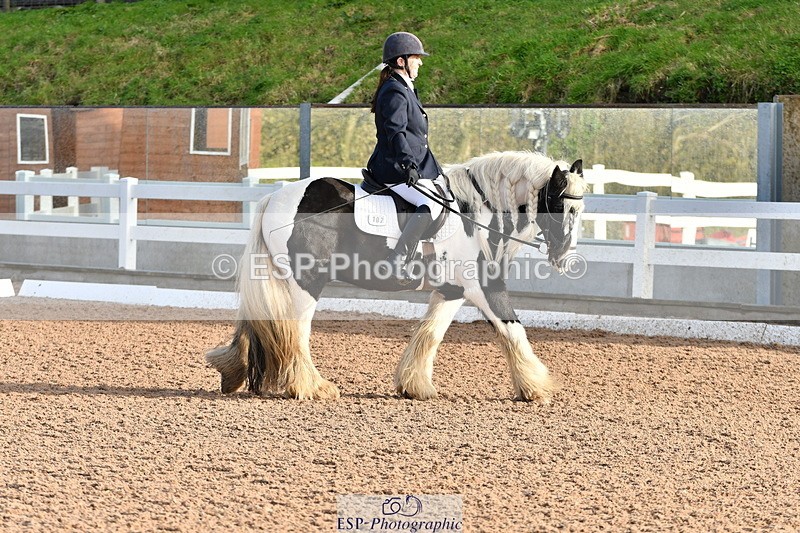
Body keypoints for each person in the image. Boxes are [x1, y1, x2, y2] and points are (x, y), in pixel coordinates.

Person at [367, 31, 449, 283]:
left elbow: (417, 138)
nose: (421, 62)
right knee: (431, 204)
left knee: (443, 194)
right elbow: (396, 132)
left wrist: (434, 168)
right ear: (401, 61)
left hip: (410, 164)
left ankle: (430, 262)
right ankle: (398, 259)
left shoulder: (404, 87)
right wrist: (408, 164)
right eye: (416, 57)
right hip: (393, 167)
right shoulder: (394, 90)